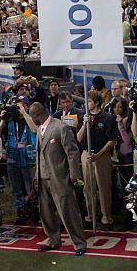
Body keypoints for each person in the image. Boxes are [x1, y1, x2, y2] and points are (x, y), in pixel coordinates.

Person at [28, 102, 87, 255]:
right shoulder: (40, 130)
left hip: (60, 177)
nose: (31, 118)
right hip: (43, 178)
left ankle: (79, 243)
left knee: (68, 211)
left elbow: (72, 152)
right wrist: (36, 175)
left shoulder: (60, 127)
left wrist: (74, 175)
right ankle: (53, 240)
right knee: (46, 213)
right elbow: (39, 155)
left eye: (31, 115)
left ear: (37, 114)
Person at [77, 91, 119, 228]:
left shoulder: (108, 118)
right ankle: (90, 216)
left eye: (89, 101)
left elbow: (112, 141)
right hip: (86, 154)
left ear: (96, 102)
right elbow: (79, 138)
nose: (86, 104)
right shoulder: (84, 117)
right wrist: (84, 124)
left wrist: (99, 155)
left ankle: (106, 217)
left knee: (103, 187)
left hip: (101, 156)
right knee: (88, 187)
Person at [0, 98, 37, 225]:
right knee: (15, 189)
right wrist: (2, 121)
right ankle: (20, 213)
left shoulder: (31, 118)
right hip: (13, 159)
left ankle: (34, 213)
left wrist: (24, 113)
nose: (17, 109)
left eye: (21, 106)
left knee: (32, 188)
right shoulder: (9, 120)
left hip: (28, 159)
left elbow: (35, 130)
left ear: (27, 107)